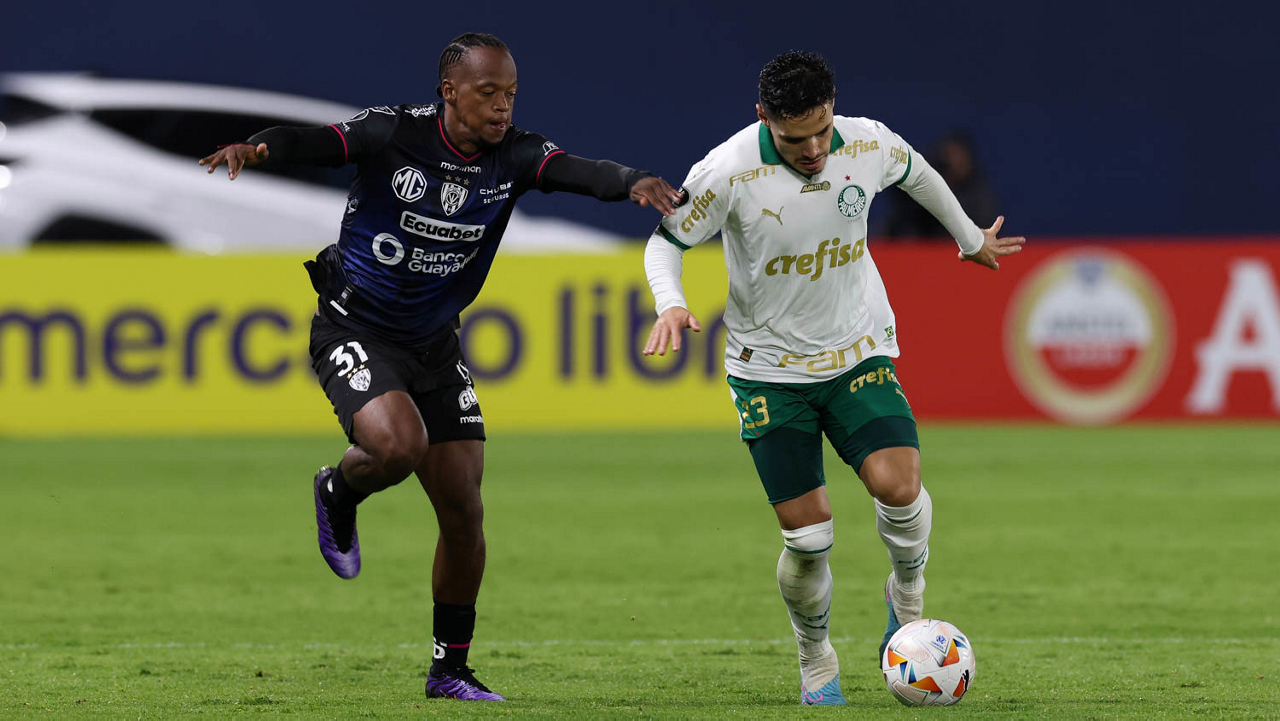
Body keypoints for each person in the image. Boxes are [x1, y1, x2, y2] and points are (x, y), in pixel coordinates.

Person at [199, 32, 681, 703]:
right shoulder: (394, 133)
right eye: (488, 93)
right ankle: (338, 491)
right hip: (354, 328)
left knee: (463, 511)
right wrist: (260, 149)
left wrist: (632, 181)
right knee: (398, 446)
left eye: (511, 94)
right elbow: (317, 142)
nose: (503, 106)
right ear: (449, 91)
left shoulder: (515, 155)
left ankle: (449, 670)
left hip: (433, 346)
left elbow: (579, 171)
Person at [641, 51, 1024, 706]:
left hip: (856, 350)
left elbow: (918, 172)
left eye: (822, 130)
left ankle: (907, 595)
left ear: (833, 109)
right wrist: (669, 301)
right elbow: (666, 241)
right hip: (768, 372)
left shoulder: (866, 142)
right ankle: (815, 652)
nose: (815, 150)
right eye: (797, 139)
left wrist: (968, 238)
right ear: (764, 118)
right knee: (810, 539)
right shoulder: (728, 169)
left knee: (900, 486)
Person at [886, 129, 1000, 238]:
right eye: (948, 156)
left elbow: (982, 227)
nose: (953, 161)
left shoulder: (977, 191)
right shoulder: (931, 183)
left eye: (958, 155)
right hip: (927, 246)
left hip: (957, 246)